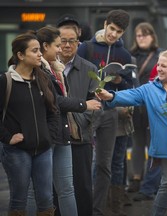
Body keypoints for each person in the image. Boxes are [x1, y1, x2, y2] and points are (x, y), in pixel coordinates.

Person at [97, 49, 167, 216]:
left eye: (163, 66)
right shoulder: (149, 89)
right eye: (158, 64)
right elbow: (132, 94)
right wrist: (110, 96)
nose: (158, 68)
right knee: (166, 185)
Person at [26, 26, 101, 216]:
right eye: (59, 44)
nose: (63, 48)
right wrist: (83, 105)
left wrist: (83, 121)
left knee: (72, 188)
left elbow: (96, 104)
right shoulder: (38, 70)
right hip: (48, 135)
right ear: (45, 46)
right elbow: (56, 101)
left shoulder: (60, 69)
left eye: (70, 42)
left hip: (70, 134)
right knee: (40, 190)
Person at [77, 9, 133, 215]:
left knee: (103, 163)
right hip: (87, 109)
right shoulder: (86, 47)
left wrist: (120, 80)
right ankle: (80, 205)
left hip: (110, 112)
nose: (114, 34)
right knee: (82, 159)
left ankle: (97, 209)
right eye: (112, 29)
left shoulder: (124, 54)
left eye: (119, 32)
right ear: (105, 24)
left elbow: (130, 86)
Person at [0, 33, 59, 215]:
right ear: (20, 55)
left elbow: (54, 112)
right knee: (19, 200)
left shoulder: (44, 79)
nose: (40, 54)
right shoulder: (5, 81)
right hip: (17, 151)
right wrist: (8, 137)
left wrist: (48, 135)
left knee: (46, 200)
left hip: (43, 150)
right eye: (34, 51)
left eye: (40, 50)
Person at [57, 25, 101, 216]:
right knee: (56, 186)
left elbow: (97, 105)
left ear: (78, 43)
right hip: (55, 136)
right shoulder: (47, 67)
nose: (67, 45)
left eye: (71, 41)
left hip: (80, 137)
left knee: (82, 185)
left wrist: (78, 122)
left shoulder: (89, 69)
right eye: (63, 41)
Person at [128, 22, 163, 194]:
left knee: (152, 143)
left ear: (152, 36)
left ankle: (152, 181)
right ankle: (135, 178)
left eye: (145, 34)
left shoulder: (159, 55)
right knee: (137, 144)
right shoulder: (130, 55)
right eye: (138, 35)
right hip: (135, 106)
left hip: (153, 107)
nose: (141, 38)